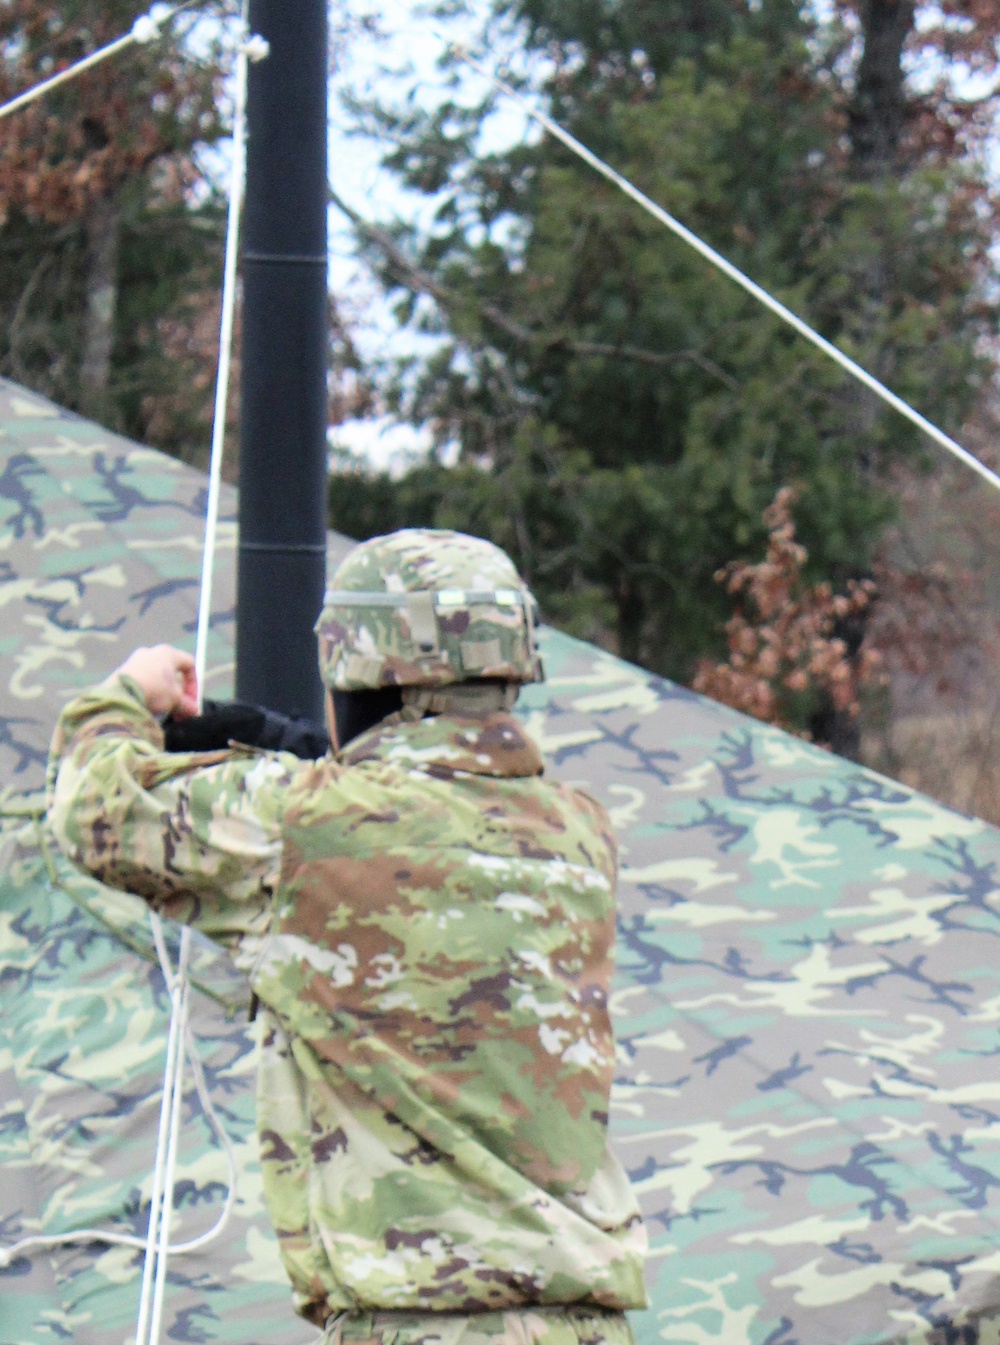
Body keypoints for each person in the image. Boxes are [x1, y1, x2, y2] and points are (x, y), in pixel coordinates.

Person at [48, 528, 648, 1345]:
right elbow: (420, 800)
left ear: (353, 667)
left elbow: (95, 808)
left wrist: (127, 696)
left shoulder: (306, 823)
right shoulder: (582, 833)